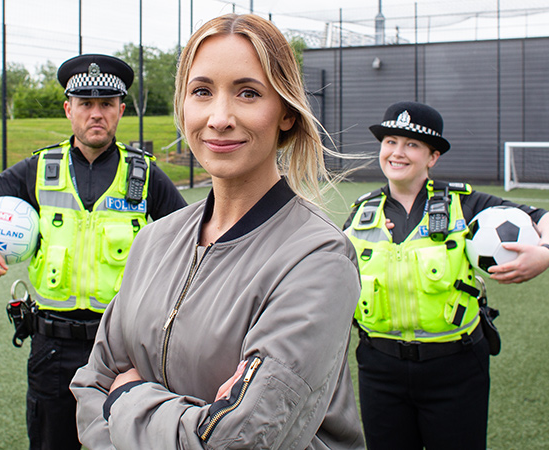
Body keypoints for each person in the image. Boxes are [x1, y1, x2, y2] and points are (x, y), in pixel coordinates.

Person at [70, 14, 365, 449]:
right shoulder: (154, 240)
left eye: (248, 93)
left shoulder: (318, 258)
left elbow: (238, 441)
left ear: (285, 112)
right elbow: (92, 384)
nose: (219, 117)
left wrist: (128, 399)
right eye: (202, 91)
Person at [0, 54, 187, 450]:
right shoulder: (40, 168)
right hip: (52, 347)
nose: (97, 114)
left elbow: (190, 233)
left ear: (121, 110)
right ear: (68, 109)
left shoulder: (143, 174)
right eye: (86, 104)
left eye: (107, 104)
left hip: (121, 349)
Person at [343, 101, 549, 449]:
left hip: (455, 368)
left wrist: (547, 253)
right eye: (390, 141)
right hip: (378, 369)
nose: (397, 153)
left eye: (412, 144)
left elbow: (547, 218)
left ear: (432, 157)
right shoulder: (360, 214)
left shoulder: (464, 204)